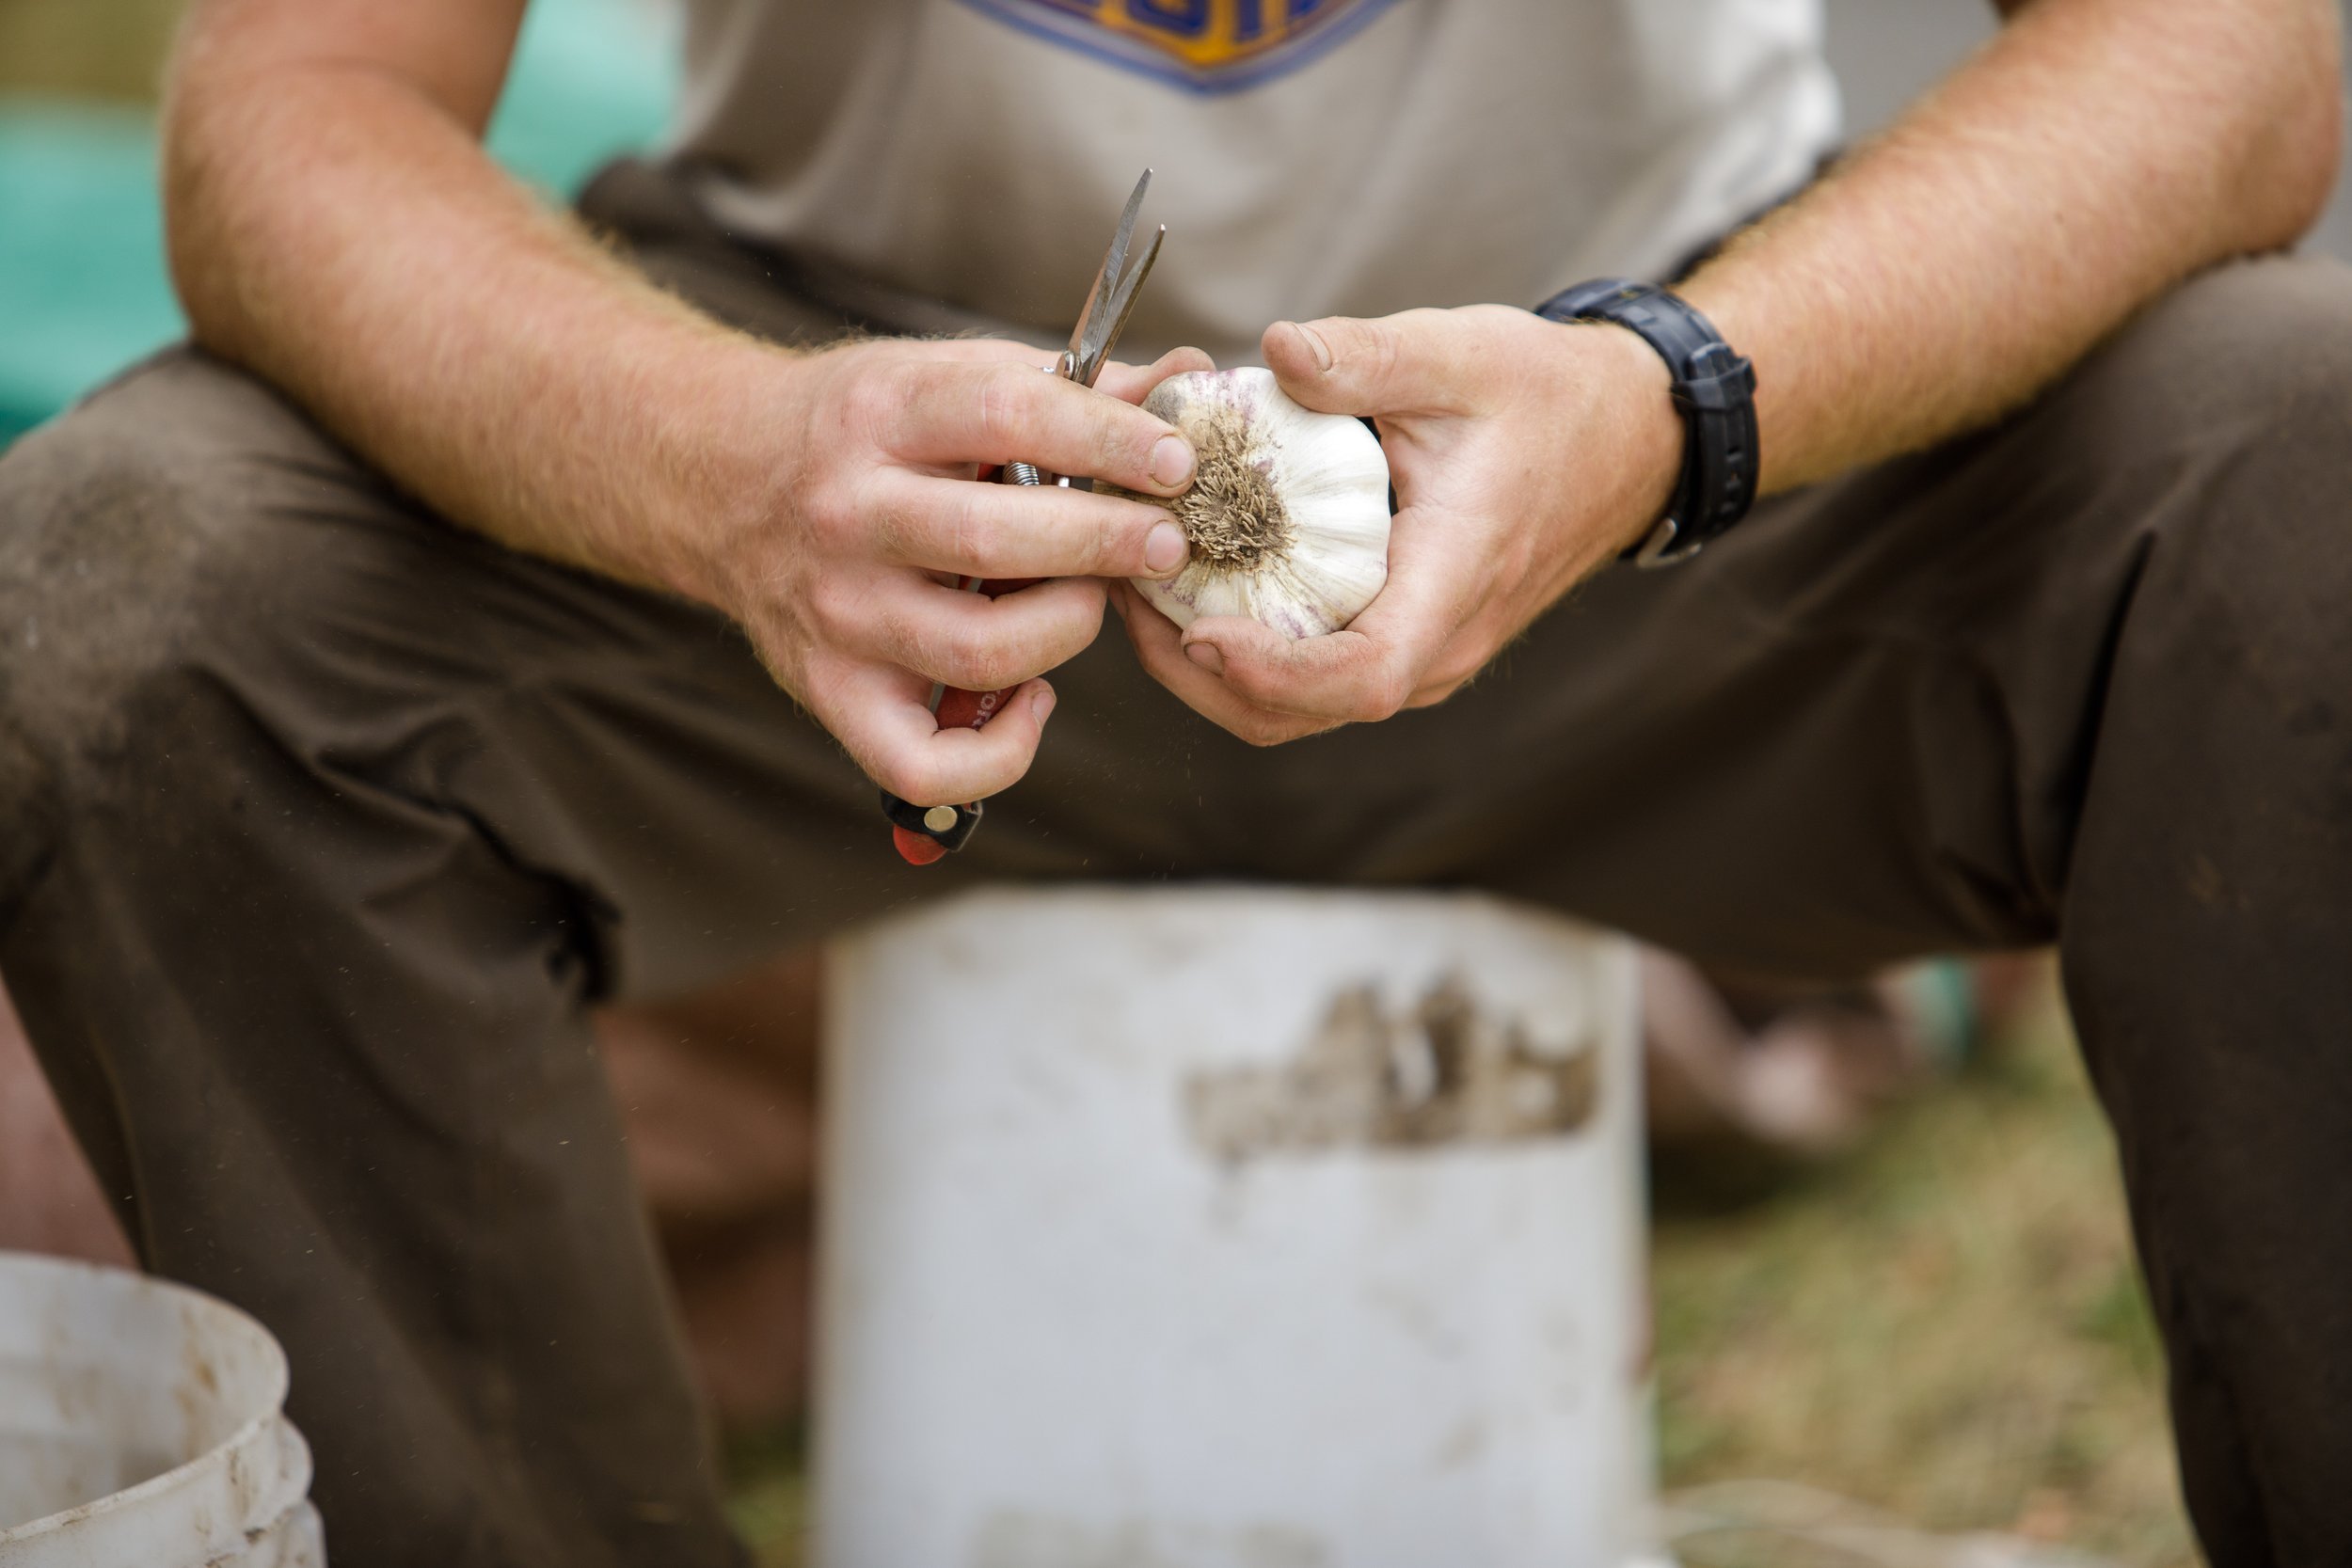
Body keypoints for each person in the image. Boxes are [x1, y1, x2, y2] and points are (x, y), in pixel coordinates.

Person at [0, 0, 2343, 1561]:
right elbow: (292, 99)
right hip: (818, 490)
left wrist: (1681, 402)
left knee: (2303, 460)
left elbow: (2238, 58)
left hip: (1680, 472)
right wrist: (725, 472)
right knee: (123, 584)